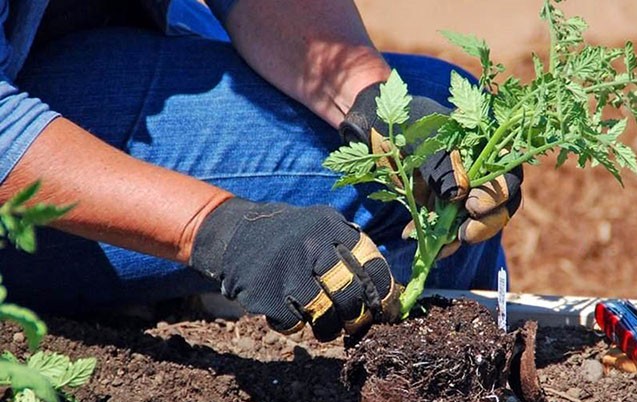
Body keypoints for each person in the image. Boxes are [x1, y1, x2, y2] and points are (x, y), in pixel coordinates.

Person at [0, 0, 522, 341]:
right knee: (379, 201)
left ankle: (169, 289)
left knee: (451, 120)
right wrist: (220, 231)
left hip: (69, 38)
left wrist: (372, 98)